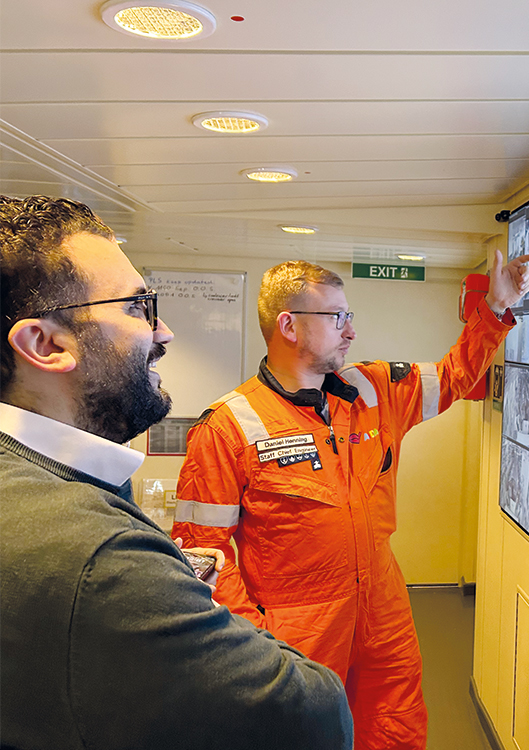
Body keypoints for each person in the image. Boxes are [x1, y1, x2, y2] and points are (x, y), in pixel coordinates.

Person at [0, 196, 354, 750]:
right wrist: (171, 592)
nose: (163, 331)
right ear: (45, 345)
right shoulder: (101, 555)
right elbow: (314, 714)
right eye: (138, 307)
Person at [171, 252, 529, 750]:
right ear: (289, 326)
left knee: (395, 727)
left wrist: (495, 307)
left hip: (382, 608)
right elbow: (201, 552)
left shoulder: (373, 390)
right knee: (301, 735)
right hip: (294, 627)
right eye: (337, 317)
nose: (350, 331)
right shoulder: (229, 427)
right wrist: (255, 639)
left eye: (350, 317)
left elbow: (454, 377)